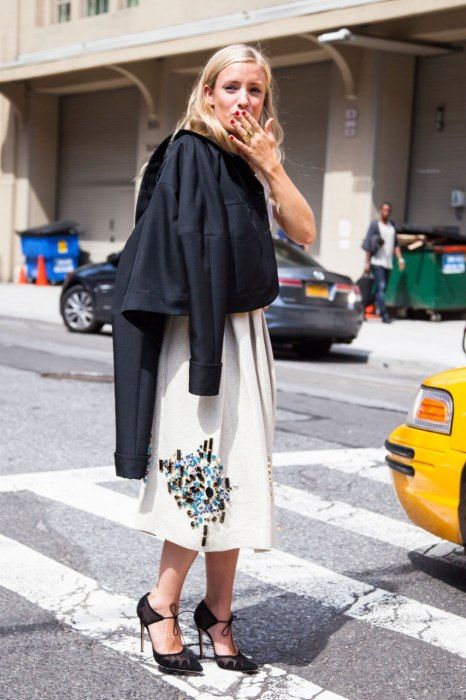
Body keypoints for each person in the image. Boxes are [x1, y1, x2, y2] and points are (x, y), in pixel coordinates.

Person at [111, 43, 316, 675]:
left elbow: (305, 232)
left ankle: (218, 613)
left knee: (242, 473)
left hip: (245, 334)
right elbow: (174, 252)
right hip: (195, 335)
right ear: (207, 94)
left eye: (255, 90)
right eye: (232, 87)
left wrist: (271, 166)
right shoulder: (187, 152)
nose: (244, 100)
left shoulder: (252, 163)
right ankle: (161, 604)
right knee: (199, 474)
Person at [362, 201, 405, 323]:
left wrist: (400, 259)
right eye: (384, 210)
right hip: (377, 262)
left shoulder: (392, 226)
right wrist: (367, 263)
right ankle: (384, 315)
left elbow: (395, 244)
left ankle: (362, 307)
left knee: (381, 290)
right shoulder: (375, 225)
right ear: (380, 210)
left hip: (388, 263)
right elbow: (368, 244)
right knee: (381, 287)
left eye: (388, 210)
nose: (386, 212)